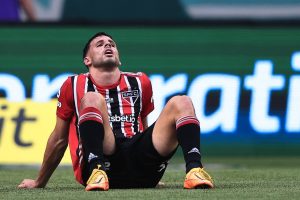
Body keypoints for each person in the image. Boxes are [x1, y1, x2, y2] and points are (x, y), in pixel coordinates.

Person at [18, 32, 214, 191]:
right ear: (87, 60)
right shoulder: (74, 84)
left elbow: (144, 127)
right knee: (92, 98)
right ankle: (97, 170)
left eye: (111, 43)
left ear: (119, 58)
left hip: (141, 165)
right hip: (104, 159)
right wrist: (39, 182)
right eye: (100, 44)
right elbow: (59, 139)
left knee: (182, 101)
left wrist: (152, 161)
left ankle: (195, 169)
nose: (108, 45)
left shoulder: (140, 82)